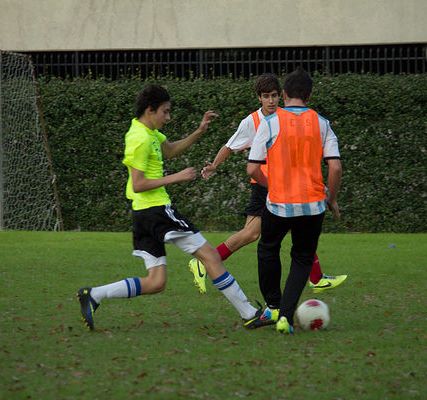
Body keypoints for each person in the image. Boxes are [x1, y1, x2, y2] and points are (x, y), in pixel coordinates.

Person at [77, 84, 262, 330]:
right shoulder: (140, 139)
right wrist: (177, 177)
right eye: (165, 111)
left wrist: (199, 131)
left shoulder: (149, 132)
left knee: (156, 282)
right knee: (210, 256)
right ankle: (249, 313)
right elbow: (139, 183)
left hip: (143, 216)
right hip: (156, 210)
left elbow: (171, 149)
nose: (168, 117)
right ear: (150, 110)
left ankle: (94, 295)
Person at [189, 73, 346, 301]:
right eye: (266, 96)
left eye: (274, 96)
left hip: (283, 187)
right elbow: (230, 146)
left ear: (281, 96)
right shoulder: (251, 122)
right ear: (259, 99)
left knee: (290, 228)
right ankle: (205, 260)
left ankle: (317, 278)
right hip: (265, 187)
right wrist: (214, 165)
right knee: (252, 233)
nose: (271, 101)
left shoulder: (284, 118)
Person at [247, 68, 343, 334]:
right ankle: (286, 318)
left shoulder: (269, 122)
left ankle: (274, 306)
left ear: (285, 94)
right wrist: (331, 199)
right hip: (313, 206)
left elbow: (252, 170)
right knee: (302, 258)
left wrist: (273, 185)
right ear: (309, 95)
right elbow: (335, 168)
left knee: (268, 248)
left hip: (278, 204)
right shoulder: (322, 122)